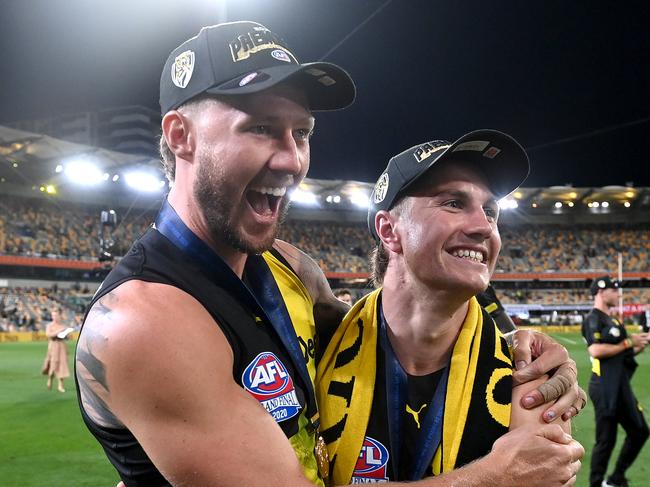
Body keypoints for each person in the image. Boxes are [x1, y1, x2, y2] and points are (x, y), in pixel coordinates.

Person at [76, 21, 583, 487]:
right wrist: (497, 476)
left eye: (301, 133)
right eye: (259, 127)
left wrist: (522, 347)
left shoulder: (291, 270)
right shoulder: (143, 321)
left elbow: (380, 336)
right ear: (180, 137)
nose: (292, 159)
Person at [317, 132, 582, 484]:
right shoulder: (314, 343)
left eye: (490, 211)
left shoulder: (528, 375)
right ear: (389, 230)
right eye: (454, 203)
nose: (483, 227)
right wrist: (490, 478)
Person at [582, 276, 650, 487]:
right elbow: (595, 350)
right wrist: (628, 342)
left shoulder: (615, 321)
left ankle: (615, 477)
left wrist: (640, 344)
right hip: (604, 386)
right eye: (615, 289)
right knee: (606, 440)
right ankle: (597, 483)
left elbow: (624, 354)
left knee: (640, 431)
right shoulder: (594, 319)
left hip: (620, 384)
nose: (618, 293)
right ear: (602, 292)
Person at [42, 306, 72, 393]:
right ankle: (50, 378)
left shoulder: (63, 326)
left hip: (61, 346)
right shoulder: (50, 326)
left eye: (55, 315)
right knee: (53, 364)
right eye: (53, 315)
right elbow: (48, 335)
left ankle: (60, 385)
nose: (54, 317)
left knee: (62, 365)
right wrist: (58, 332)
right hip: (53, 346)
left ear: (59, 316)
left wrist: (66, 334)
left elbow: (67, 337)